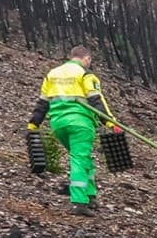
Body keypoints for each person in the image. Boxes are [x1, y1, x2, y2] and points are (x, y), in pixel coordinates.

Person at [27, 45, 118, 215]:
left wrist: (34, 123)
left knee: (84, 160)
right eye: (89, 60)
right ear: (87, 58)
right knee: (79, 159)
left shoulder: (52, 74)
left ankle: (90, 196)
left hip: (58, 125)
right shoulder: (85, 74)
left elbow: (42, 103)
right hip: (80, 124)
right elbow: (96, 100)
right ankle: (79, 202)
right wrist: (110, 122)